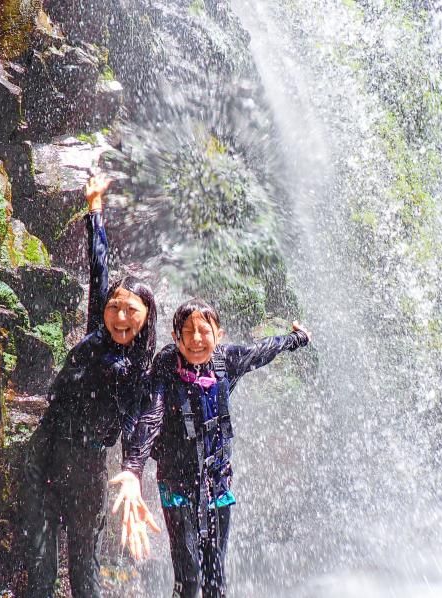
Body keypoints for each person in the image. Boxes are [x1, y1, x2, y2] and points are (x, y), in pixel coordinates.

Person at [110, 298, 310, 598]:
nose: (196, 339)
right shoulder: (166, 367)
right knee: (189, 579)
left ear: (219, 335)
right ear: (176, 337)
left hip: (217, 484)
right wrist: (132, 470)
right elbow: (151, 416)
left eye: (204, 330)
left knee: (216, 580)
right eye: (187, 331)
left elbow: (262, 351)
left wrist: (297, 338)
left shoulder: (226, 360)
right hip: (176, 486)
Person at [22, 174, 158, 597]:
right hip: (44, 448)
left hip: (86, 462)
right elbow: (99, 264)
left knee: (84, 559)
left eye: (129, 310)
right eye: (114, 307)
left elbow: (141, 420)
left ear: (146, 317)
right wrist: (95, 204)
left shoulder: (141, 368)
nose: (119, 316)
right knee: (40, 558)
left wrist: (133, 470)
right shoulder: (97, 332)